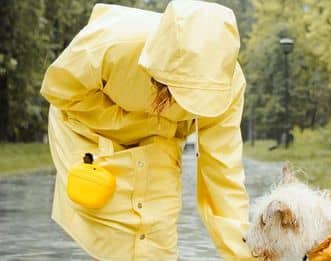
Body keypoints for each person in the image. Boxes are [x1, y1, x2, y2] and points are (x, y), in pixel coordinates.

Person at [40, 1, 253, 260]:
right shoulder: (111, 44)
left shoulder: (228, 85)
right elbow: (59, 91)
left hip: (160, 143)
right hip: (89, 130)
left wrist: (244, 253)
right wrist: (139, 124)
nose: (182, 103)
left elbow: (223, 172)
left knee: (156, 231)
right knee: (108, 224)